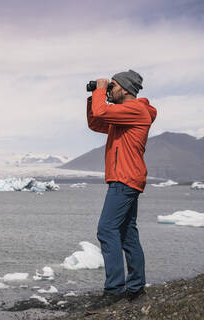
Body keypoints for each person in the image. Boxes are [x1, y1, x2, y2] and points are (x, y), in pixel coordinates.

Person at [86, 69, 157, 306]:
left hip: (124, 179)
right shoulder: (123, 117)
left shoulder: (135, 110)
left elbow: (102, 110)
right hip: (126, 179)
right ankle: (136, 288)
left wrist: (99, 92)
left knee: (106, 230)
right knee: (127, 234)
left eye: (112, 86)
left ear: (125, 89)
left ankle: (114, 291)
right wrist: (92, 96)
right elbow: (96, 122)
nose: (109, 90)